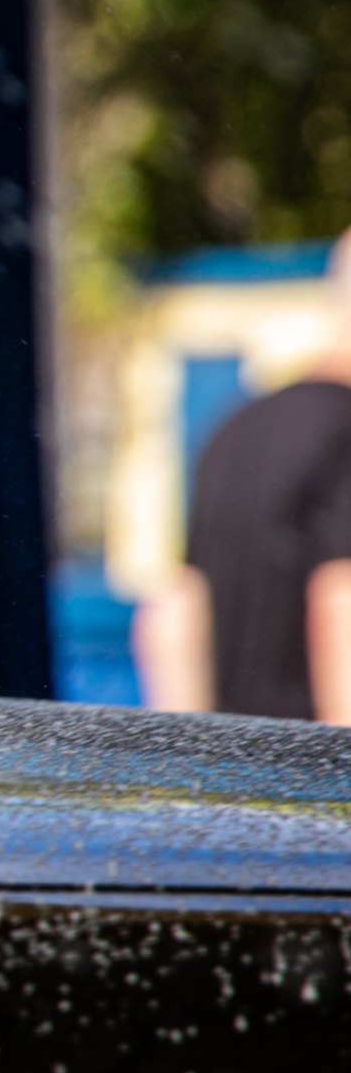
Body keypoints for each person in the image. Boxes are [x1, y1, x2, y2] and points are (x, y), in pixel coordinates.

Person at [138, 231, 351, 721]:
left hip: (241, 772)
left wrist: (192, 762)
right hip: (318, 775)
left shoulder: (234, 426)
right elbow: (341, 604)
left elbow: (176, 609)